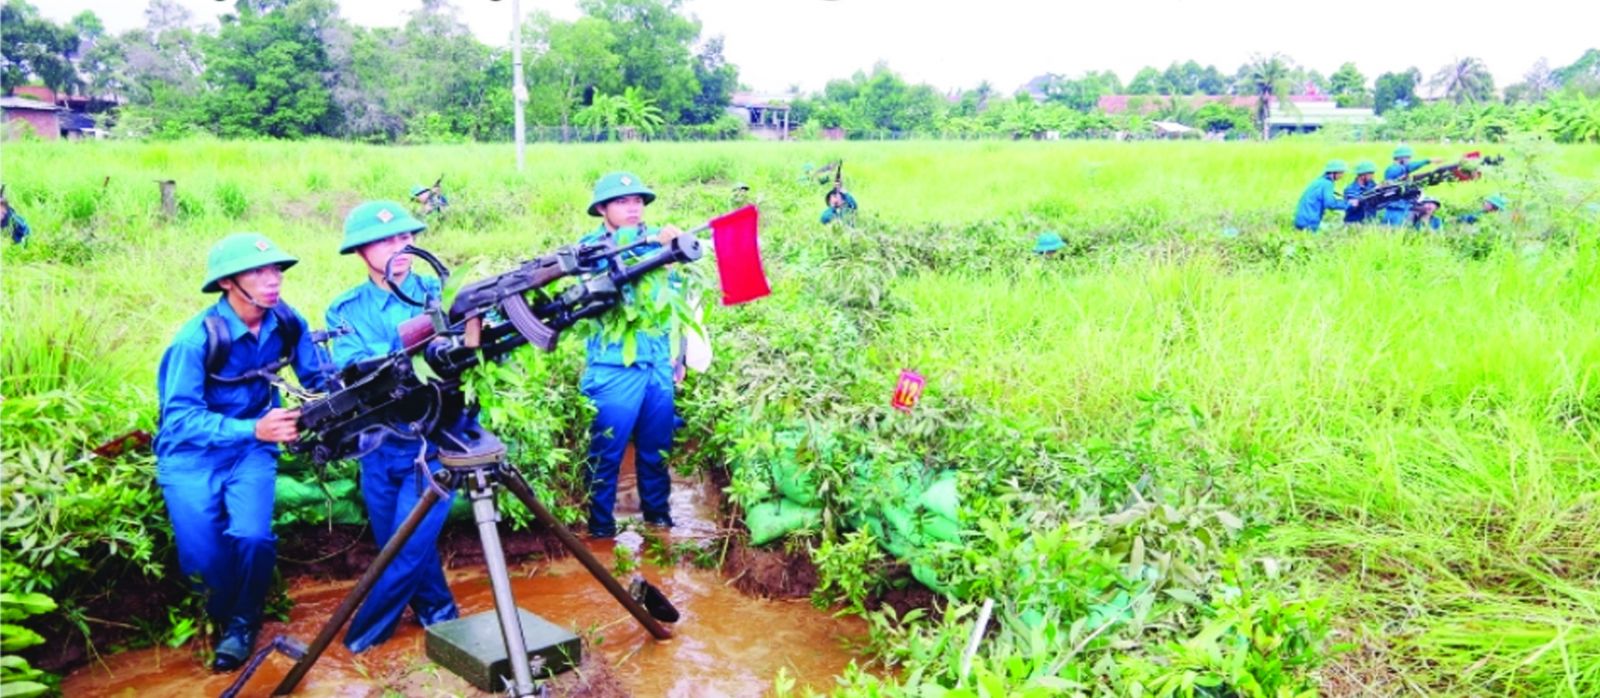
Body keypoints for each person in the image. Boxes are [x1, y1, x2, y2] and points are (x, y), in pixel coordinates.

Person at [155, 233, 328, 671]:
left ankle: (243, 625)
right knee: (204, 558)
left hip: (252, 450)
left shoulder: (287, 323)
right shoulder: (194, 341)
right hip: (189, 457)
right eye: (257, 271)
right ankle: (221, 615)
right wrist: (255, 426)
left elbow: (318, 378)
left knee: (251, 537)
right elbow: (179, 420)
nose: (272, 280)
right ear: (228, 283)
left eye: (276, 270)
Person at [324, 201, 460, 652]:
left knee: (403, 550)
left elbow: (464, 349)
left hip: (431, 445)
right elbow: (354, 372)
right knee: (400, 548)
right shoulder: (343, 309)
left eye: (406, 237)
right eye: (386, 240)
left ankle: (361, 642)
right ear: (362, 252)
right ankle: (440, 616)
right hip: (377, 451)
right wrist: (411, 340)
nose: (401, 247)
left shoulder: (439, 293)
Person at [578, 172, 685, 538]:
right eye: (623, 201)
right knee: (605, 454)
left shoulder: (660, 240)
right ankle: (601, 530)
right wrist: (655, 248)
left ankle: (658, 521)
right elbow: (605, 275)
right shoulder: (590, 247)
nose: (633, 207)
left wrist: (679, 355)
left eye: (638, 201)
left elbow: (676, 307)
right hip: (613, 368)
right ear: (602, 209)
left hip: (656, 365)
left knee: (657, 452)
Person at [1292, 160, 1355, 232]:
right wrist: (1349, 204)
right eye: (1341, 173)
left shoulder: (1319, 181)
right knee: (1337, 231)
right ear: (1333, 173)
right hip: (1310, 223)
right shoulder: (1327, 184)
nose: (1342, 175)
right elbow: (1330, 204)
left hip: (1300, 220)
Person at [1381, 145, 1432, 226]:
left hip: (1403, 204)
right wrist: (1427, 161)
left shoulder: (1401, 170)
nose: (1410, 161)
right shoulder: (1393, 169)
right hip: (1396, 205)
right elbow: (1408, 167)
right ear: (1401, 159)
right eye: (1408, 158)